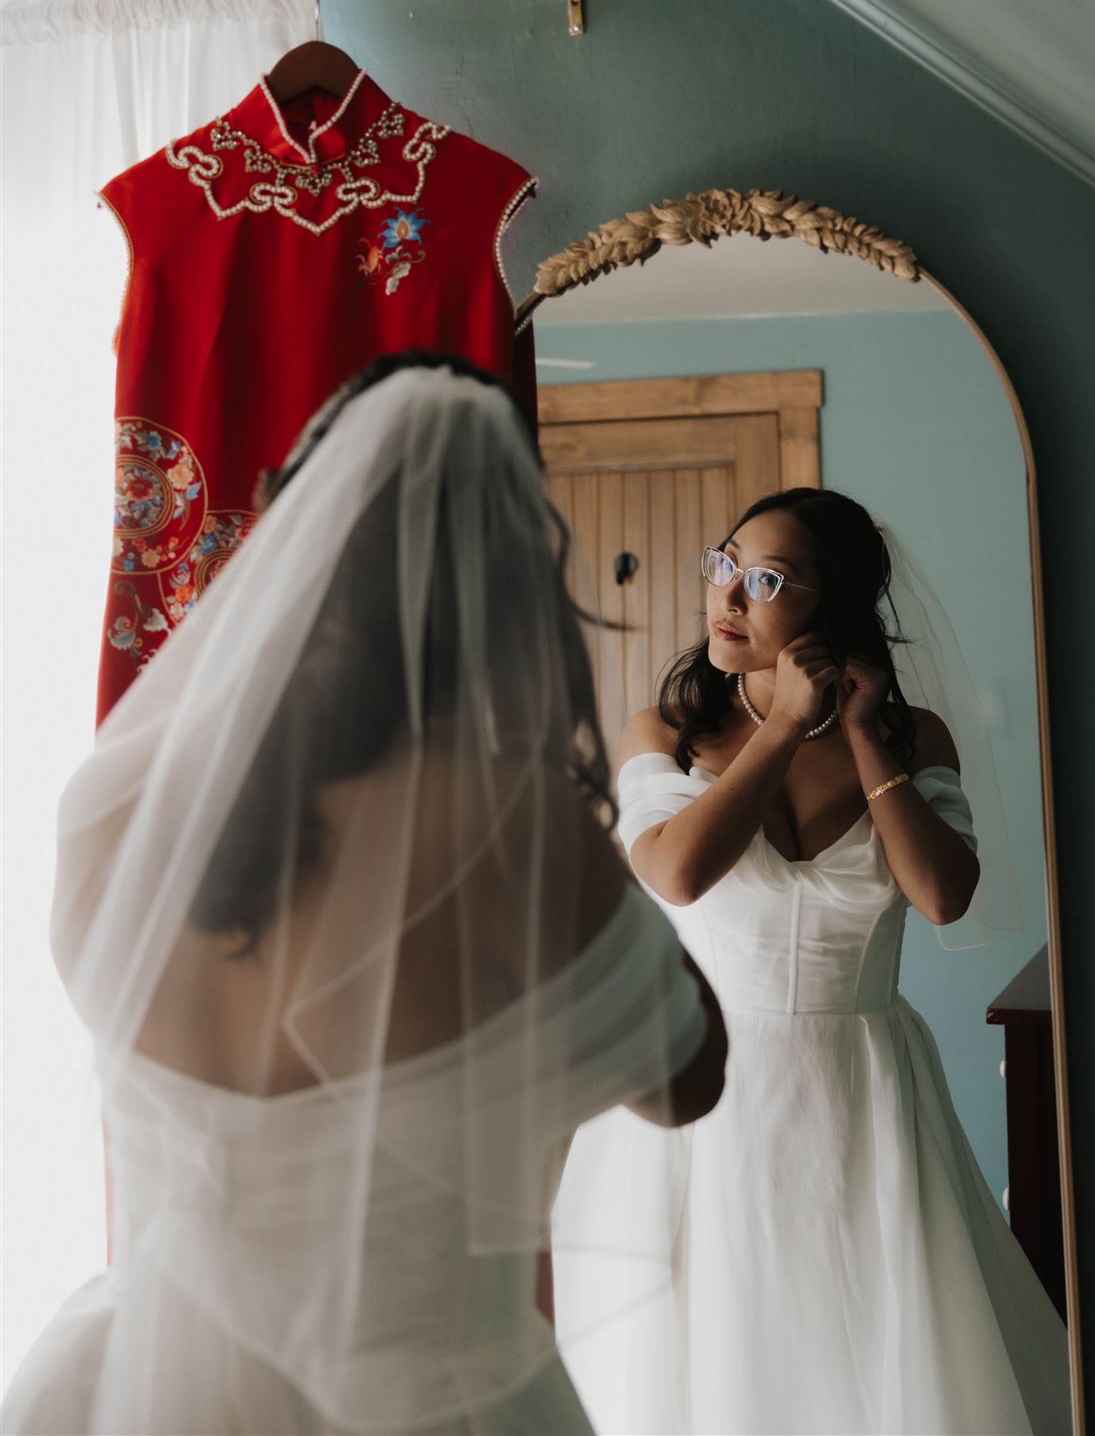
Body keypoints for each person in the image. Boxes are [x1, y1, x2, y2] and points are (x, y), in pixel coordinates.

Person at [2, 353, 726, 1436]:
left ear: (285, 545)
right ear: (510, 592)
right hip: (431, 1401)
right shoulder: (508, 825)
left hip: (147, 1388)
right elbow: (689, 1075)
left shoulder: (116, 806)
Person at [552, 487, 1072, 1436]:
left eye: (766, 579)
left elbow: (942, 894)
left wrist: (870, 742)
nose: (729, 597)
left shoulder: (912, 743)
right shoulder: (660, 733)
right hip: (696, 1092)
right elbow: (675, 873)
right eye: (725, 563)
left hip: (859, 1083)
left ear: (828, 611)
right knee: (700, 1353)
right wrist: (784, 725)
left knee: (868, 1339)